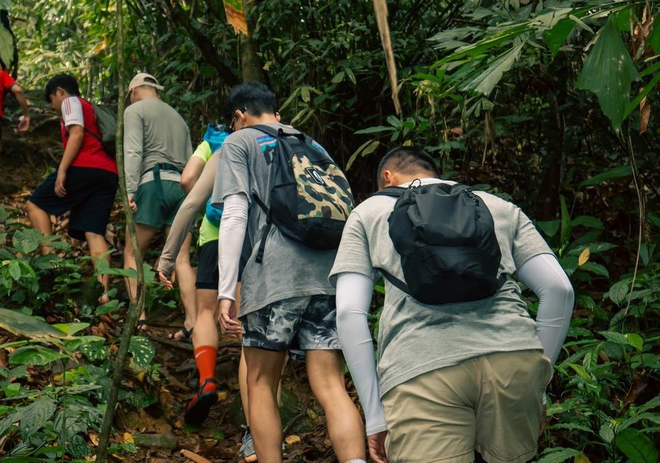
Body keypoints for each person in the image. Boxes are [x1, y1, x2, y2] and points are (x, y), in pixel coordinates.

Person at [332, 147, 575, 463]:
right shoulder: (496, 206)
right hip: (512, 361)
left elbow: (349, 314)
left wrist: (375, 415)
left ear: (386, 177)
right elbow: (560, 290)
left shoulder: (368, 212)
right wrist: (538, 385)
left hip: (422, 369)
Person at [213, 81, 367, 463]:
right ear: (275, 111)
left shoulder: (240, 142)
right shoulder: (314, 146)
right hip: (330, 275)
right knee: (331, 384)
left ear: (239, 115)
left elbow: (234, 214)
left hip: (275, 276)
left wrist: (226, 290)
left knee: (261, 381)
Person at [156, 123, 231, 427]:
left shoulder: (212, 141)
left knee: (206, 311)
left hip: (214, 233)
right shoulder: (266, 142)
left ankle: (207, 379)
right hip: (253, 234)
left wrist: (206, 193)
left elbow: (187, 179)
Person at [25, 74, 119, 298]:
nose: (53, 106)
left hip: (85, 167)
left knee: (35, 204)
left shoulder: (70, 102)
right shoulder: (91, 109)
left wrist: (62, 170)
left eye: (51, 100)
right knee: (94, 232)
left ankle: (53, 264)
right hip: (108, 172)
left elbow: (76, 134)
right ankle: (103, 293)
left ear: (60, 92)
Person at [121, 72, 194, 333]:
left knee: (132, 252)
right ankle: (192, 323)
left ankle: (139, 318)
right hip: (182, 188)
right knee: (182, 259)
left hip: (152, 183)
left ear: (134, 92)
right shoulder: (178, 118)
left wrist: (129, 191)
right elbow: (191, 164)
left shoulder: (135, 110)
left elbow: (133, 151)